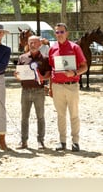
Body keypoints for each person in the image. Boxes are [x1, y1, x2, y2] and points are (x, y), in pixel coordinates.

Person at [48, 23, 88, 152]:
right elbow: (51, 69)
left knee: (74, 115)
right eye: (57, 32)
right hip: (57, 86)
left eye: (61, 32)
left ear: (67, 33)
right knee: (60, 115)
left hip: (72, 86)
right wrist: (50, 87)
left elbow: (84, 66)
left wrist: (75, 73)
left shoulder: (75, 47)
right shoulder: (52, 49)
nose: (59, 34)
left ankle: (75, 142)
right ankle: (62, 141)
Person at [14, 35, 51, 150]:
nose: (32, 45)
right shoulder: (22, 58)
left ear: (40, 44)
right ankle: (23, 141)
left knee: (40, 117)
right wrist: (17, 76)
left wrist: (42, 77)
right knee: (24, 117)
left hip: (39, 91)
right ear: (27, 44)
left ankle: (40, 141)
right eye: (30, 43)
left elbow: (49, 74)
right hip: (25, 91)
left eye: (35, 42)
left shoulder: (45, 58)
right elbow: (18, 73)